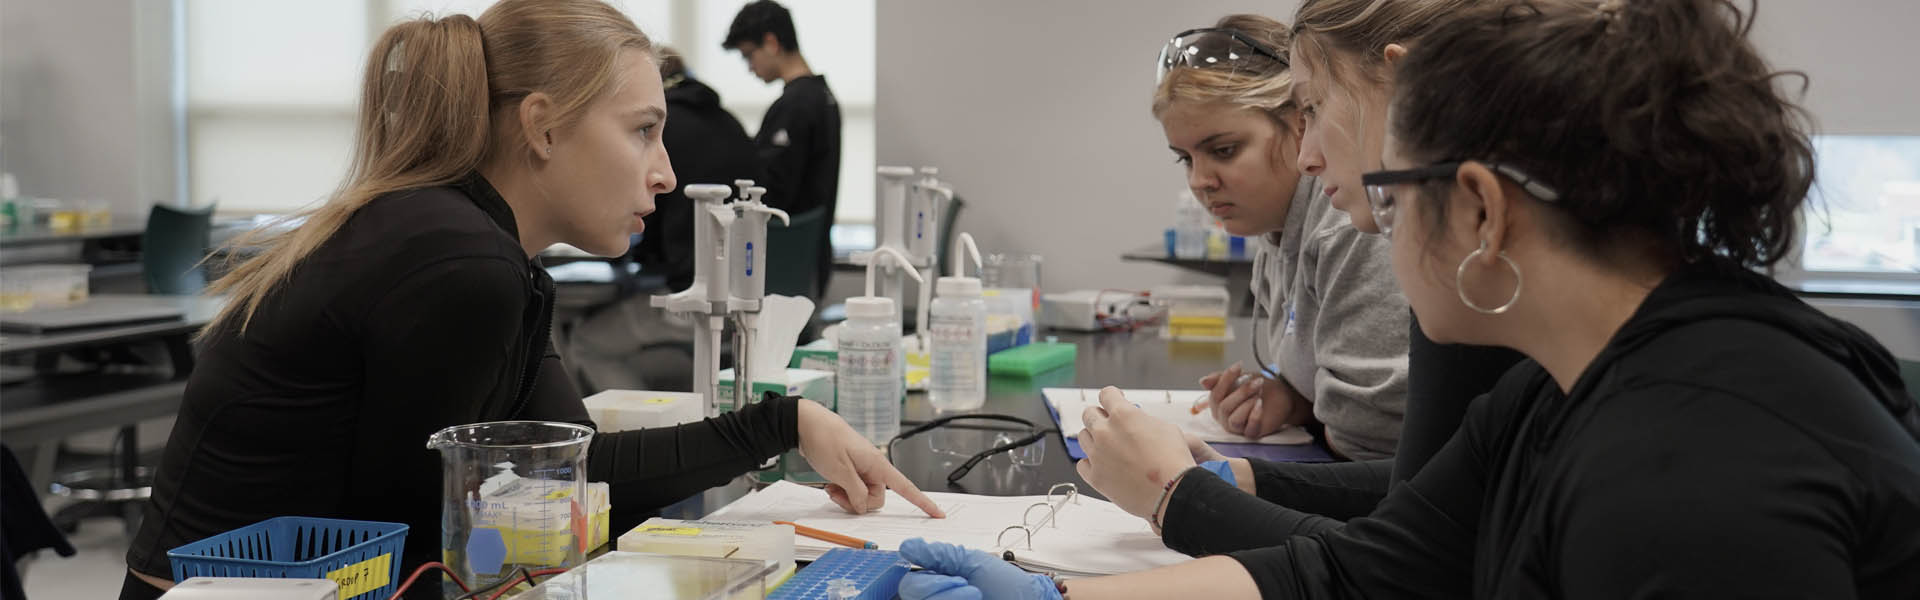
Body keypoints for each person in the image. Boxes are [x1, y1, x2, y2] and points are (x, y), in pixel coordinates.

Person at [899, 1, 1920, 597]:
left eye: (1387, 190)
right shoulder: (1551, 394)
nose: (1339, 192)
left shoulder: (1693, 470)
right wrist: (1054, 595)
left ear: (1476, 207)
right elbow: (1364, 578)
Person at [118, 3, 942, 599]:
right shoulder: (459, 264)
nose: (664, 172)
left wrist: (784, 423)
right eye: (642, 130)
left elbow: (578, 471)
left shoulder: (476, 247)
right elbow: (427, 546)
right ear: (543, 128)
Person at [1155, 16, 1410, 463]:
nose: (1200, 181)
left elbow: (1371, 439)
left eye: (1224, 150)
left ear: (1298, 123)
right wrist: (1291, 402)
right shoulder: (1279, 224)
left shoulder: (1349, 223)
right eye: (1184, 158)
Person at [723, 0, 841, 298]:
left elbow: (772, 193)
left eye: (749, 55)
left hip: (785, 265)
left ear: (772, 42)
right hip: (808, 261)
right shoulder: (824, 98)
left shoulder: (797, 106)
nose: (750, 68)